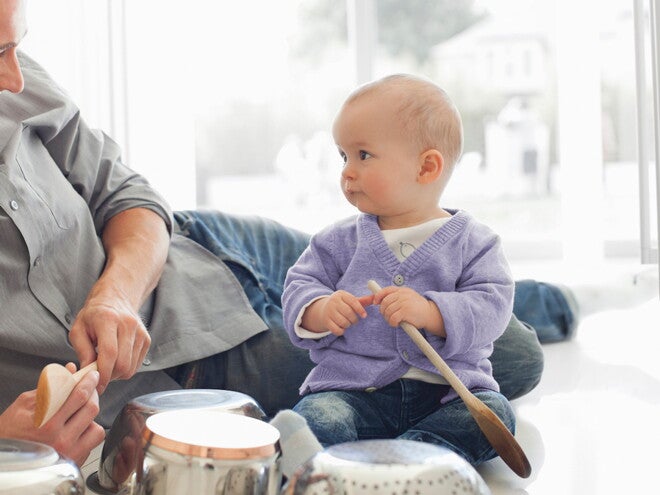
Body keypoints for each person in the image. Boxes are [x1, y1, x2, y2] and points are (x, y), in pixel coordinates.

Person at [1, 0, 577, 467]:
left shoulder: (18, 81)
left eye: (14, 44)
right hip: (213, 366)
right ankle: (522, 303)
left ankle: (545, 295)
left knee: (429, 266)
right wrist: (11, 446)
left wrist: (116, 294)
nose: (15, 77)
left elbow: (127, 195)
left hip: (205, 251)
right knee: (515, 355)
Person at [282, 74, 516, 466]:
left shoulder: (476, 243)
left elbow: (493, 308)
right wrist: (320, 310)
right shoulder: (336, 241)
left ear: (426, 168)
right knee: (321, 415)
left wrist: (432, 312)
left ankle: (408, 459)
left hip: (446, 395)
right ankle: (319, 465)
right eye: (343, 156)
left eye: (363, 155)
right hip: (354, 393)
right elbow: (299, 286)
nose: (347, 171)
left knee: (494, 416)